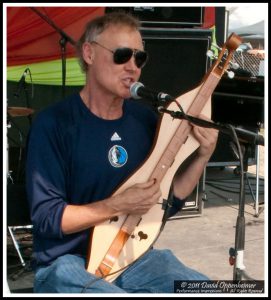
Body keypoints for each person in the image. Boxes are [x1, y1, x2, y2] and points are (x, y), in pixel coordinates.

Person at [26, 11, 218, 293]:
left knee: (208, 289)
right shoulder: (53, 124)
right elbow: (47, 219)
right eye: (122, 55)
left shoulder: (146, 121)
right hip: (66, 263)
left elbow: (167, 202)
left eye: (140, 58)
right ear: (89, 54)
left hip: (134, 257)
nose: (133, 67)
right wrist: (118, 204)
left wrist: (203, 154)